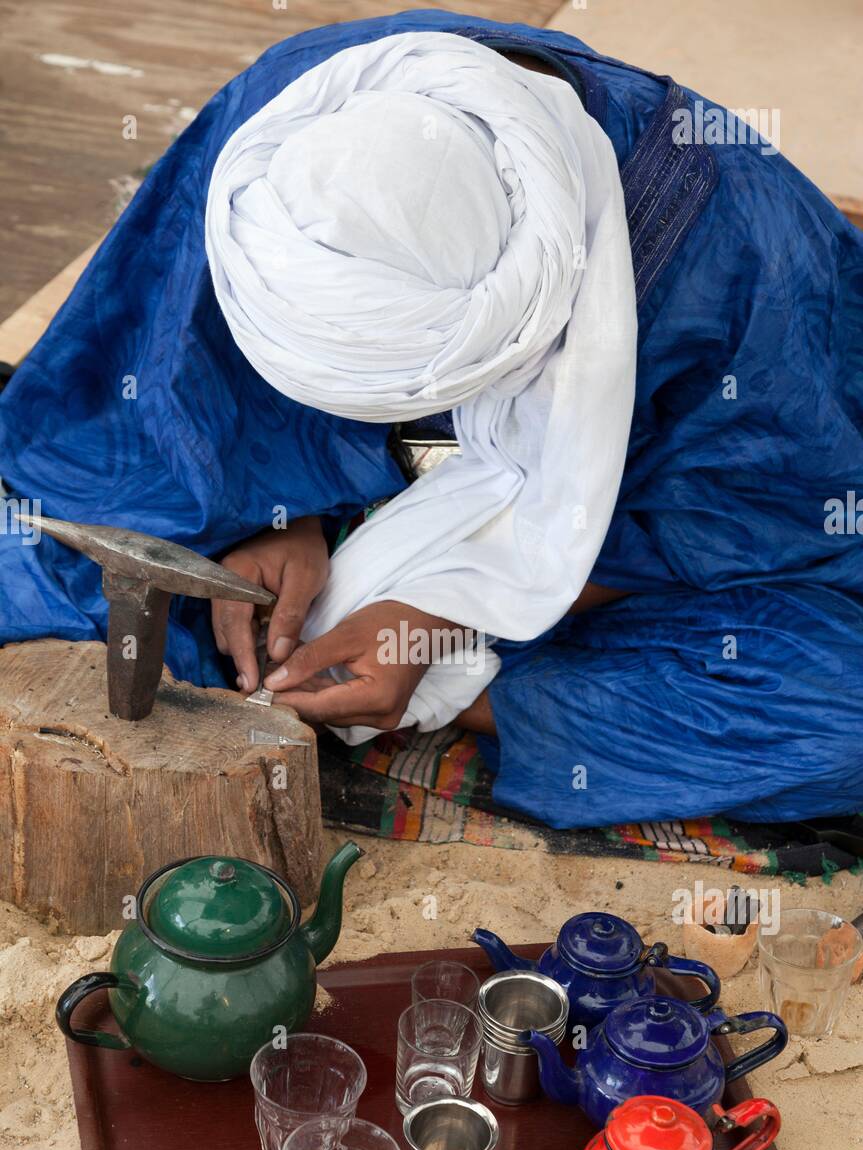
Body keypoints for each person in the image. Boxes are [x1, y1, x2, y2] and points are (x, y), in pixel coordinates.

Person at [1, 11, 861, 830]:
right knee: (46, 559)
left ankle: (443, 701)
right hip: (328, 519)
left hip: (610, 577)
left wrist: (443, 625)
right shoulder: (280, 123)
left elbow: (755, 530)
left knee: (834, 710)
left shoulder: (752, 263)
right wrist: (276, 514)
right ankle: (323, 665)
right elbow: (160, 391)